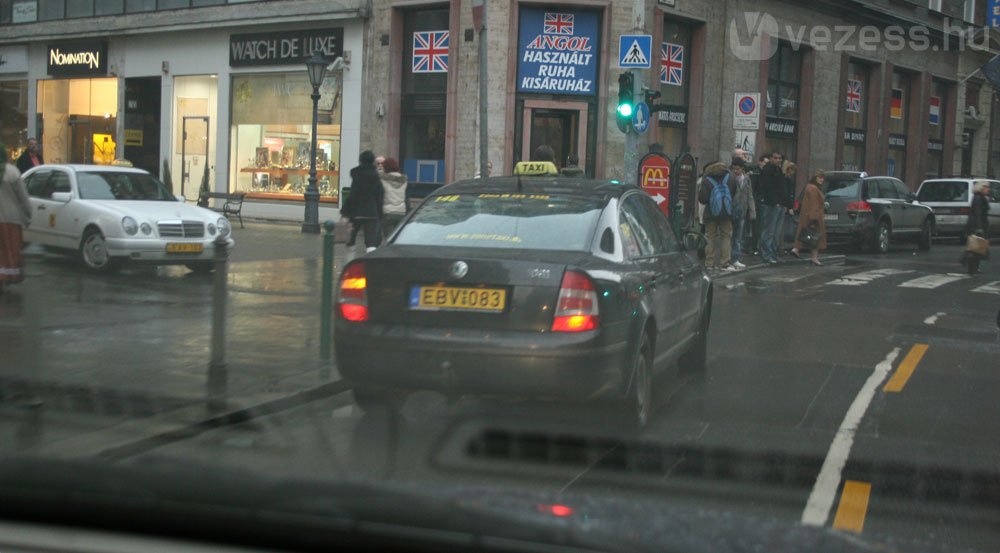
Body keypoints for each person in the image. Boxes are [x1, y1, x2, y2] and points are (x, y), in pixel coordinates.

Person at [0, 147, 33, 294]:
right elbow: (23, 197)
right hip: (11, 218)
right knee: (10, 249)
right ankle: (7, 276)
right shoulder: (12, 172)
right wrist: (28, 215)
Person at [697, 161, 737, 272]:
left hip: (711, 214)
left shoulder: (706, 179)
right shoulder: (730, 177)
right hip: (726, 213)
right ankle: (725, 263)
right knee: (726, 237)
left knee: (710, 238)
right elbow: (734, 192)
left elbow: (702, 199)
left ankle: (709, 263)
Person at [344, 150, 384, 257]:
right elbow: (379, 196)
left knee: (351, 239)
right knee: (371, 242)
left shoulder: (357, 175)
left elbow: (352, 195)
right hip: (371, 212)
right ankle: (370, 265)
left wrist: (345, 212)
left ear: (360, 160)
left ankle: (349, 263)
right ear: (372, 161)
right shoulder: (375, 176)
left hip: (356, 212)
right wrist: (379, 213)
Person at [757, 151, 789, 265]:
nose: (778, 160)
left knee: (776, 232)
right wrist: (776, 202)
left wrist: (784, 203)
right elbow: (767, 187)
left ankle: (773, 254)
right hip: (771, 205)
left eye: (780, 158)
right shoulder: (768, 170)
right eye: (776, 158)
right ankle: (767, 255)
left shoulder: (778, 170)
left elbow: (782, 188)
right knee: (769, 231)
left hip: (778, 204)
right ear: (771, 158)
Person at [791, 171, 827, 266]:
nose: (822, 179)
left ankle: (798, 249)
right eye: (820, 177)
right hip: (814, 216)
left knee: (808, 235)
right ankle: (813, 257)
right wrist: (814, 219)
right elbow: (814, 204)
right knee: (814, 236)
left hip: (808, 215)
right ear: (815, 178)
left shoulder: (810, 187)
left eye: (823, 178)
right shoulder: (813, 189)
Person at [729, 157, 755, 270]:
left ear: (742, 168)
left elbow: (750, 196)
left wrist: (752, 211)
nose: (736, 171)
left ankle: (735, 259)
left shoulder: (747, 179)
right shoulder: (730, 178)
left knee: (738, 237)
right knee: (729, 236)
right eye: (734, 168)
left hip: (742, 211)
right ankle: (727, 259)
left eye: (738, 169)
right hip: (731, 210)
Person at [963, 180, 991, 275]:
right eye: (987, 187)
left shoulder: (980, 197)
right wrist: (979, 228)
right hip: (977, 226)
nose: (988, 189)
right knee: (976, 248)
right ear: (982, 188)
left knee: (977, 248)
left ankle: (974, 268)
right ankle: (971, 267)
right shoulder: (979, 198)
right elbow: (978, 213)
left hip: (976, 225)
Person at [380, 157, 407, 239]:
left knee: (388, 239)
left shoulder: (383, 179)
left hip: (388, 211)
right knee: (398, 238)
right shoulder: (404, 179)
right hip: (401, 211)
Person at [779, 160, 798, 255]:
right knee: (781, 228)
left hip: (785, 205)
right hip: (785, 206)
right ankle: (781, 247)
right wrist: (789, 206)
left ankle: (781, 247)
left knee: (781, 227)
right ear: (789, 169)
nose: (793, 173)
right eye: (793, 170)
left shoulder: (786, 178)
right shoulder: (787, 179)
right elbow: (787, 194)